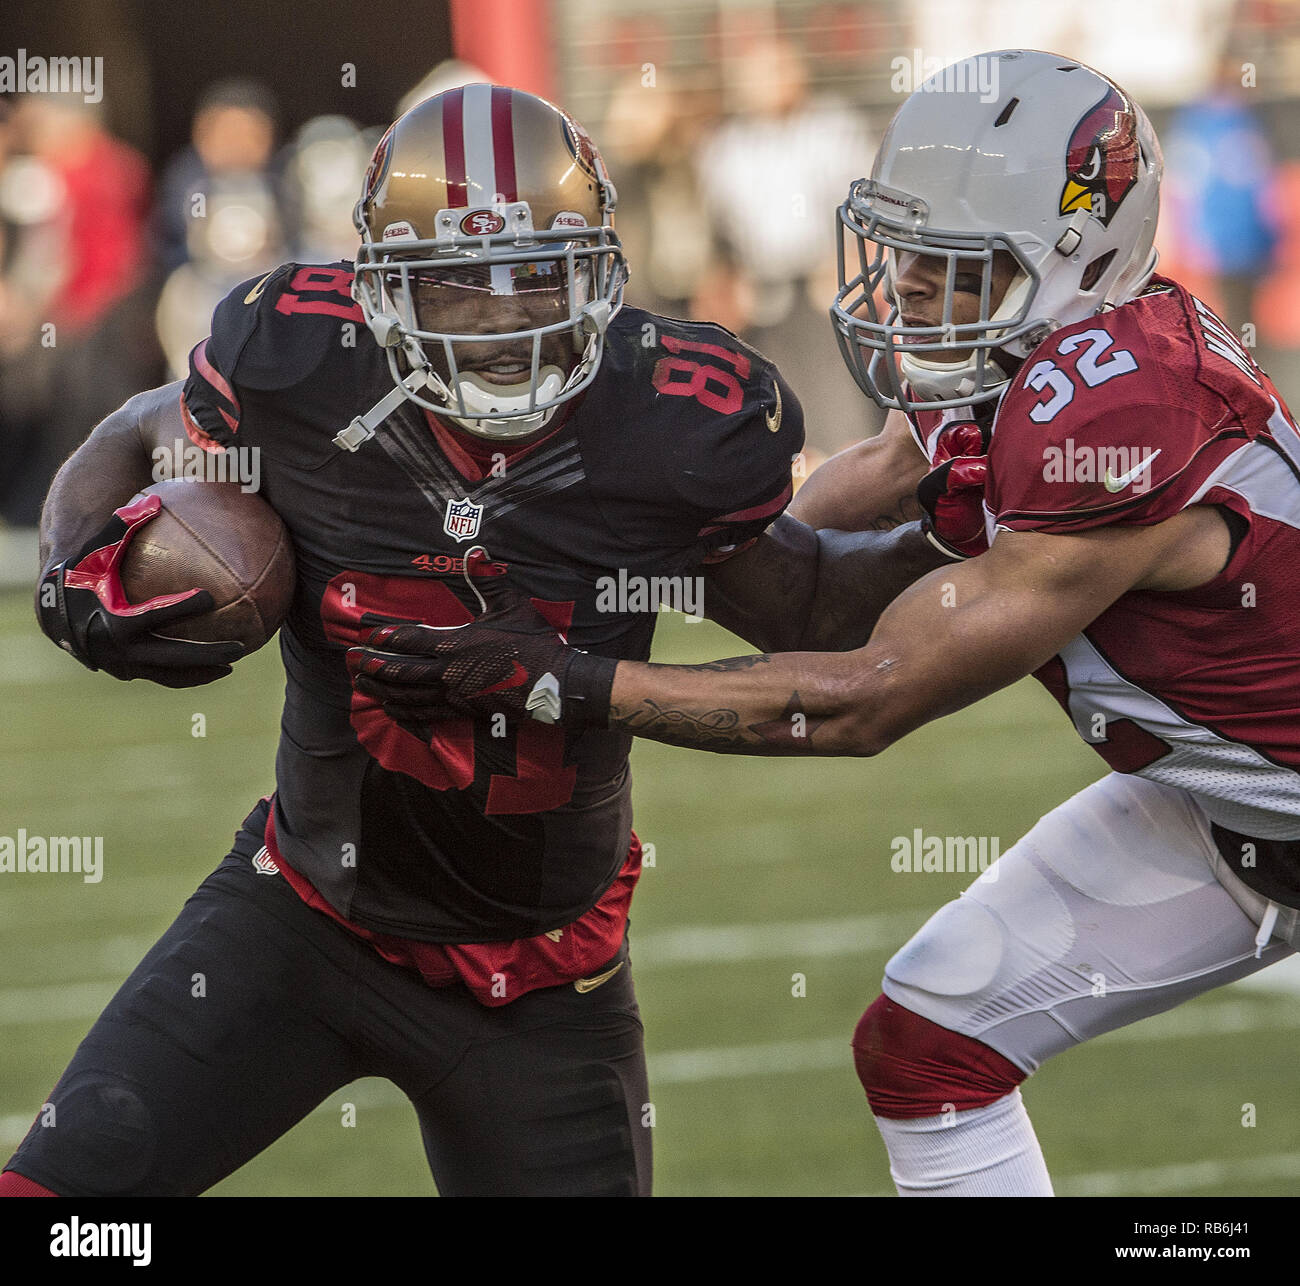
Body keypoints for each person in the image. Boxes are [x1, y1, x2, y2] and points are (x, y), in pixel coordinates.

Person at [362, 52, 1300, 1196]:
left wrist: (564, 676)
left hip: (1263, 798)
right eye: (899, 246)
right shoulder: (1034, 354)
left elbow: (864, 695)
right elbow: (839, 506)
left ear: (1070, 259)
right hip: (1229, 805)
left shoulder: (1112, 419)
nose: (901, 283)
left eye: (946, 263)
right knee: (929, 1048)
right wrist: (640, 538)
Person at [8, 85, 942, 1198]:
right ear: (375, 287)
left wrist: (971, 512)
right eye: (455, 282)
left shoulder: (676, 420)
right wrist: (68, 569)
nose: (502, 318)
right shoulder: (297, 360)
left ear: (601, 265)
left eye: (536, 273)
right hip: (297, 917)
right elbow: (138, 425)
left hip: (544, 982)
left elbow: (809, 616)